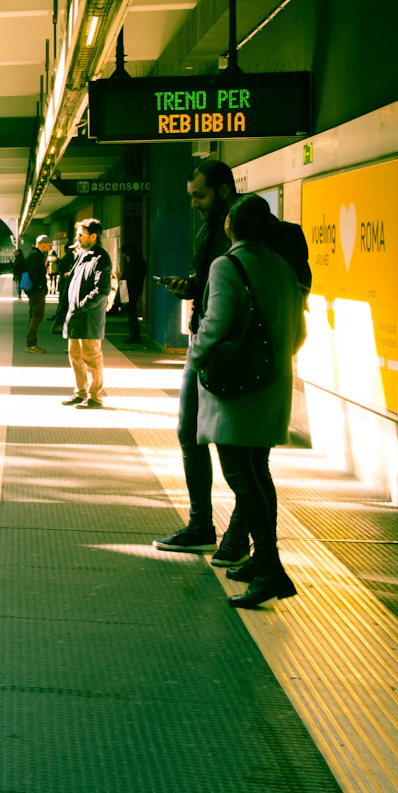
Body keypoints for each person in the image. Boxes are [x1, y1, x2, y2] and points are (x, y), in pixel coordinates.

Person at [186, 193, 304, 608]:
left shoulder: (227, 265)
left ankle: (270, 567)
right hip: (272, 386)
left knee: (238, 472)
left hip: (237, 391)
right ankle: (260, 559)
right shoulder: (283, 268)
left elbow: (216, 323)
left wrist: (195, 357)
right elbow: (299, 334)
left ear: (229, 226)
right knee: (258, 470)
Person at [154, 160, 239, 557]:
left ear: (223, 191)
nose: (193, 204)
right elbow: (209, 286)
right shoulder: (209, 229)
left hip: (225, 351)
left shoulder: (239, 233)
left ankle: (240, 536)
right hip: (201, 344)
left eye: (199, 196)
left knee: (236, 451)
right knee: (190, 434)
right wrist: (187, 287)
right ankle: (202, 524)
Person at [60, 219, 112, 408]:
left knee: (91, 357)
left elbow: (102, 290)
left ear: (93, 236)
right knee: (75, 358)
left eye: (81, 234)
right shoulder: (82, 256)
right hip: (76, 316)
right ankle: (80, 392)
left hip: (89, 317)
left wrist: (81, 307)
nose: (77, 238)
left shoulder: (100, 258)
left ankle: (95, 397)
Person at [19, 234, 52, 353]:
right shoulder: (35, 256)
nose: (49, 247)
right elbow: (33, 274)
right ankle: (31, 344)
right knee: (37, 316)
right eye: (48, 244)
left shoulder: (34, 254)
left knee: (33, 315)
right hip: (35, 291)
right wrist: (40, 287)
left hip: (33, 290)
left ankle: (30, 342)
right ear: (42, 244)